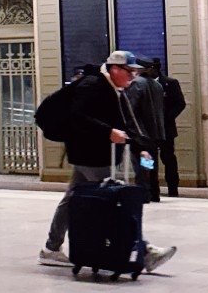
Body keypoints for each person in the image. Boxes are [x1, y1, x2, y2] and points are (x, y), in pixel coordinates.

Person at [39, 50, 175, 272]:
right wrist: (107, 132)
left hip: (92, 153)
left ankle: (51, 248)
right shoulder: (92, 86)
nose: (133, 77)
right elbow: (78, 117)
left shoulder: (115, 89)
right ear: (115, 69)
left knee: (71, 199)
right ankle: (145, 251)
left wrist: (140, 148)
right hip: (90, 154)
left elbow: (127, 123)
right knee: (114, 201)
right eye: (130, 72)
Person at [121, 60, 166, 203]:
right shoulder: (157, 85)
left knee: (141, 166)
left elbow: (130, 109)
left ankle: (143, 193)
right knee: (150, 164)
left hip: (141, 134)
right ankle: (154, 192)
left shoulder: (136, 84)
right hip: (155, 133)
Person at [142, 57, 185, 197]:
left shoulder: (170, 83)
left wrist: (166, 118)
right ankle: (152, 189)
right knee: (149, 160)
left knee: (168, 159)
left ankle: (173, 188)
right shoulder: (142, 85)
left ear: (154, 68)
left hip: (166, 129)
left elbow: (180, 103)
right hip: (149, 131)